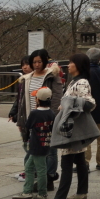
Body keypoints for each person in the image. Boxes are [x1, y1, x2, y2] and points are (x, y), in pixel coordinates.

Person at [41, 53, 98, 199]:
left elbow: (89, 103)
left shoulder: (81, 82)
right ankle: (81, 191)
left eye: (71, 62)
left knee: (66, 162)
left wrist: (68, 104)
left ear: (78, 65)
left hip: (71, 127)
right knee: (79, 160)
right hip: (74, 126)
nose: (69, 65)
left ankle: (59, 198)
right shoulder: (76, 81)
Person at [8, 49, 64, 187]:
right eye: (34, 62)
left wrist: (51, 118)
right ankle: (32, 176)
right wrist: (21, 120)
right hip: (30, 118)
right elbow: (21, 100)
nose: (37, 64)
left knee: (50, 150)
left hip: (47, 119)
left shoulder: (52, 76)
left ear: (45, 61)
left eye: (39, 61)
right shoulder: (26, 78)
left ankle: (49, 178)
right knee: (31, 149)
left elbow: (57, 99)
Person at [13, 87, 55, 199]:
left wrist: (25, 138)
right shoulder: (51, 113)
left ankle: (42, 192)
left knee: (40, 169)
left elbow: (27, 127)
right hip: (46, 143)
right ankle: (27, 190)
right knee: (29, 167)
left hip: (36, 144)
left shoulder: (35, 113)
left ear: (38, 99)